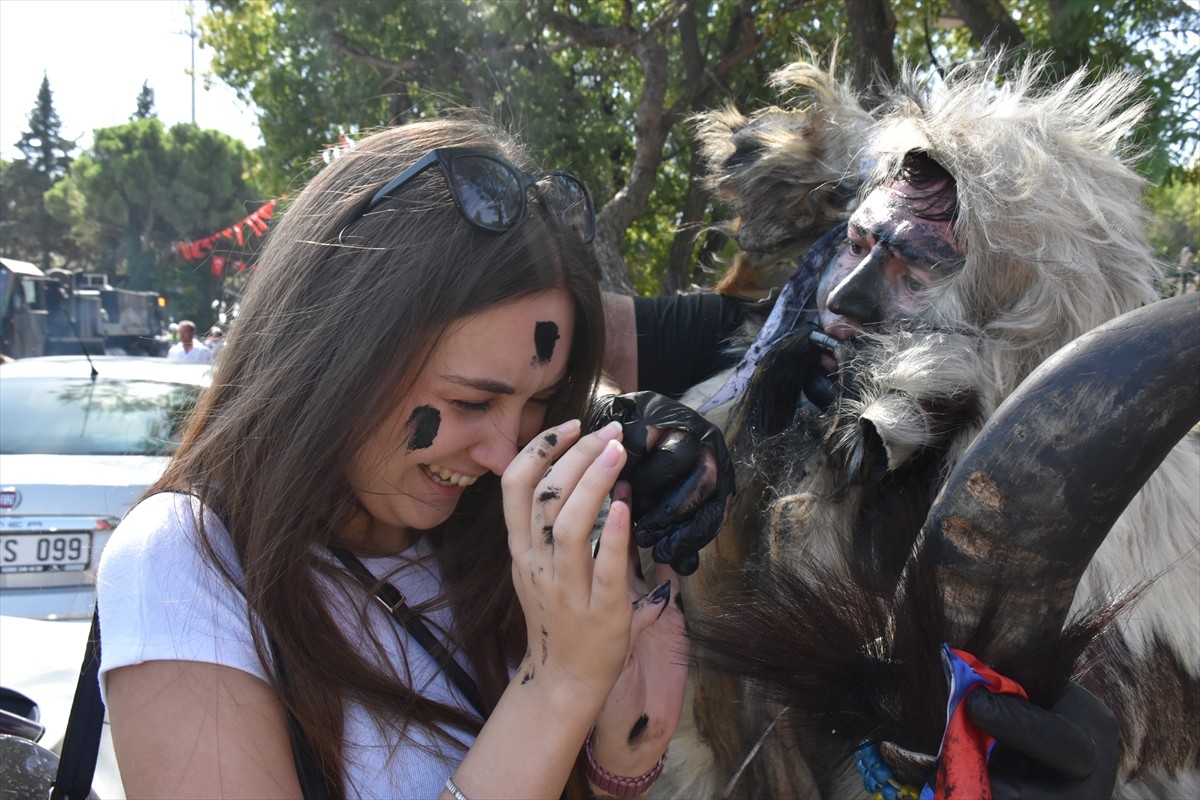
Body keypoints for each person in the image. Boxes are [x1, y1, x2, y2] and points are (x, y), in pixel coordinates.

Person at [604, 54, 1197, 798]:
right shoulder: (757, 383)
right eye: (857, 245)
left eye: (913, 274)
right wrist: (618, 425)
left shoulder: (1147, 547)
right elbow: (548, 343)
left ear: (1009, 323)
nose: (843, 298)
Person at [97, 117, 732, 799]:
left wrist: (622, 755)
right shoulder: (189, 560)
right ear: (338, 352)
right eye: (468, 403)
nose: (502, 455)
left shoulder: (510, 548)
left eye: (538, 402)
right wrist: (558, 686)